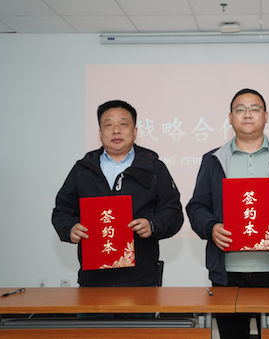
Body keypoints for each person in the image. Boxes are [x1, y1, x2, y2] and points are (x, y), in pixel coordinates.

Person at [186, 88, 269, 338]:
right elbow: (196, 206)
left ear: (266, 116)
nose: (247, 114)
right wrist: (211, 227)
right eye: (240, 109)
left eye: (255, 109)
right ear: (230, 117)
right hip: (227, 273)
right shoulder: (213, 159)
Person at [52, 100, 183, 310]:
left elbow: (174, 213)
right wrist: (69, 228)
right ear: (100, 132)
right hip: (93, 282)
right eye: (108, 124)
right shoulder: (82, 169)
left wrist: (153, 224)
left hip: (140, 280)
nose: (116, 130)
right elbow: (61, 210)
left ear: (135, 130)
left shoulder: (153, 167)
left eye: (123, 124)